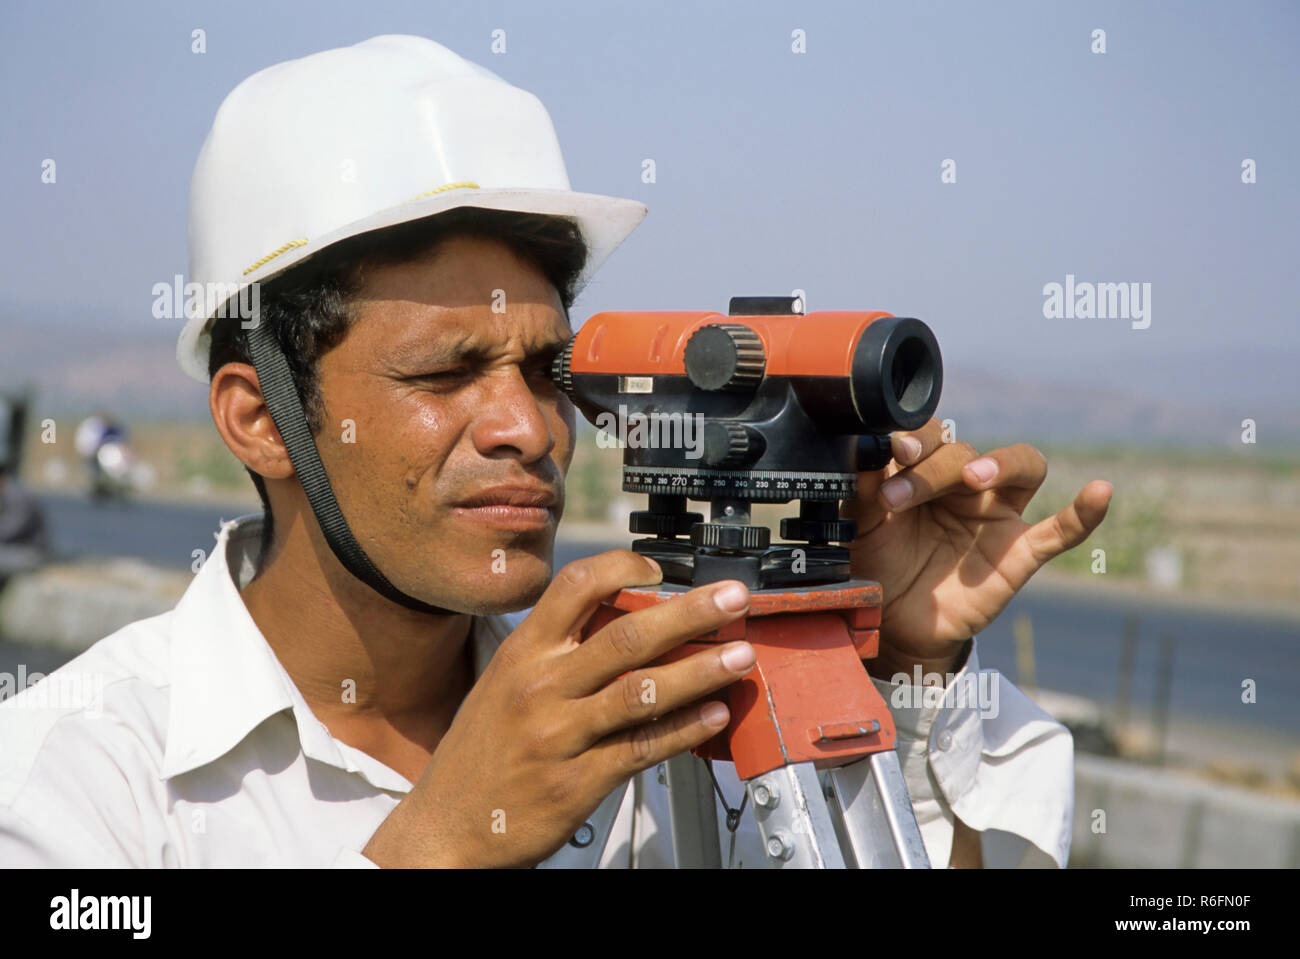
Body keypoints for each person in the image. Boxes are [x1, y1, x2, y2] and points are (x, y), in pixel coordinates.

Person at [0, 35, 1111, 868]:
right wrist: (437, 841)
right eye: (442, 373)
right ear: (256, 419)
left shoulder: (657, 713)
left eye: (545, 371)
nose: (526, 428)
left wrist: (893, 668)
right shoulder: (74, 773)